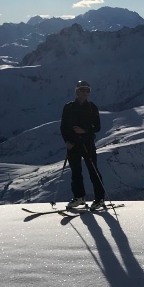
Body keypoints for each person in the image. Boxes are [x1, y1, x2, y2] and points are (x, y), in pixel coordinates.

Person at [60, 80, 106, 209]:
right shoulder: (68, 107)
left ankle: (100, 198)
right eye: (82, 90)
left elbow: (97, 127)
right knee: (76, 172)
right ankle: (79, 197)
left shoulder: (92, 107)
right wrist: (67, 141)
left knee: (93, 171)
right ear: (77, 91)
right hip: (73, 144)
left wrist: (84, 131)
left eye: (87, 90)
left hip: (87, 144)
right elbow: (63, 127)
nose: (85, 93)